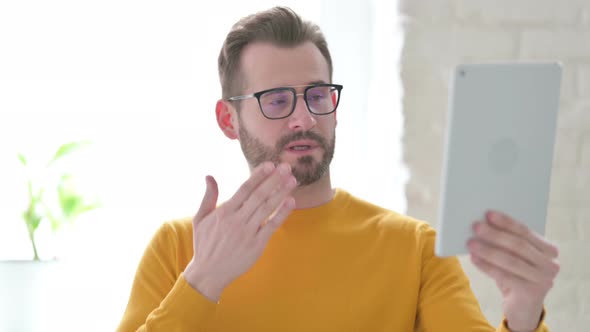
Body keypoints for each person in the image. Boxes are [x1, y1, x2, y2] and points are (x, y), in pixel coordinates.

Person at [117, 6, 560, 332]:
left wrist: (523, 315)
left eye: (317, 95)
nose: (303, 119)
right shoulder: (179, 249)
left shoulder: (415, 250)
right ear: (228, 120)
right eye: (275, 100)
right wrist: (204, 279)